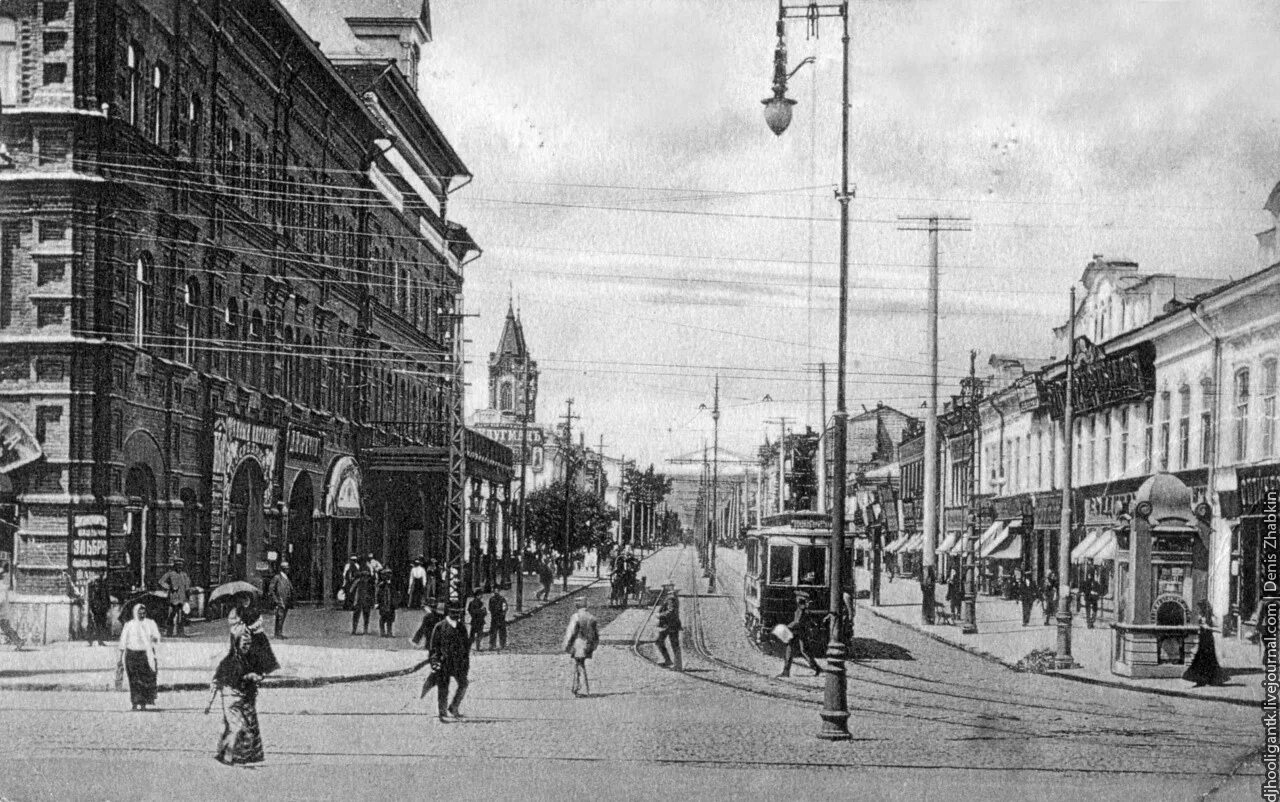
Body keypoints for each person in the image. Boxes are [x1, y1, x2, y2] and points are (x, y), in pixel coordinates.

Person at [206, 595, 278, 766]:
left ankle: (240, 755)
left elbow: (261, 662)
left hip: (246, 691)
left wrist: (257, 675)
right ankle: (228, 757)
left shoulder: (255, 640)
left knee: (248, 725)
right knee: (237, 727)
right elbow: (224, 672)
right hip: (232, 692)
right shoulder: (233, 651)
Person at [423, 605, 470, 721]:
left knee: (463, 683)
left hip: (458, 663)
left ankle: (454, 707)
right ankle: (442, 710)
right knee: (443, 687)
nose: (456, 615)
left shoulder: (461, 627)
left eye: (458, 613)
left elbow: (466, 648)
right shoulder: (439, 627)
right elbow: (433, 647)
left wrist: (466, 664)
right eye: (454, 612)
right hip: (443, 662)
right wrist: (434, 662)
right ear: (449, 613)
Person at [118, 603, 161, 711]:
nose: (142, 615)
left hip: (145, 655)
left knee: (145, 680)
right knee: (134, 680)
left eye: (143, 613)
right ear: (135, 613)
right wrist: (119, 658)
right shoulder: (129, 625)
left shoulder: (150, 623)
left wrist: (153, 639)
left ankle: (143, 703)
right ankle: (134, 702)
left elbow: (156, 638)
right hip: (132, 655)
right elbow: (123, 642)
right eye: (139, 613)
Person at [1184, 601, 1230, 688]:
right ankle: (1201, 680)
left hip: (1208, 641)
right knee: (1200, 659)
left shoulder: (1211, 617)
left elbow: (1219, 629)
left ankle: (1209, 679)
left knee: (1209, 659)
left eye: (1200, 608)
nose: (1199, 610)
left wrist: (1208, 628)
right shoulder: (1201, 616)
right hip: (1202, 640)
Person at [563, 596, 600, 696]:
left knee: (579, 665)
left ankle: (579, 688)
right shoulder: (592, 617)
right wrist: (593, 646)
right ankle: (581, 688)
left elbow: (571, 632)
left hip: (578, 644)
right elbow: (596, 635)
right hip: (588, 645)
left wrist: (566, 645)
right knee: (581, 664)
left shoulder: (576, 616)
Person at [780, 593, 822, 677]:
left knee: (799, 650)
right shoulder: (802, 609)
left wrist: (788, 627)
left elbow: (797, 622)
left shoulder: (801, 609)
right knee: (795, 649)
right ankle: (786, 671)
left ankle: (816, 668)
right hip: (799, 631)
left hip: (799, 631)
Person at [158, 559, 191, 637]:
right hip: (174, 598)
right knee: (172, 615)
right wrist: (169, 587)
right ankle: (169, 632)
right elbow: (161, 581)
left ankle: (181, 633)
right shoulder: (170, 574)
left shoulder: (184, 575)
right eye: (178, 565)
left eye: (181, 566)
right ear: (175, 566)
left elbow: (187, 586)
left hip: (182, 598)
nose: (179, 567)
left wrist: (188, 596)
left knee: (182, 616)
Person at [654, 584, 683, 671]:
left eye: (665, 586)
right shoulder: (671, 596)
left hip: (670, 625)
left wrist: (660, 615)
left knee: (672, 644)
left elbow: (671, 611)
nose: (663, 588)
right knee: (660, 641)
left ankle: (676, 665)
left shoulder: (671, 598)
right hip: (669, 624)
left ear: (669, 587)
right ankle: (669, 661)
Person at [345, 561, 374, 635]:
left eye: (366, 576)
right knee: (356, 615)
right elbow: (351, 591)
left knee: (366, 616)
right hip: (358, 601)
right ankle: (354, 629)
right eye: (364, 576)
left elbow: (372, 593)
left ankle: (365, 630)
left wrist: (372, 601)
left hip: (366, 601)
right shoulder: (357, 582)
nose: (365, 578)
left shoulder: (369, 584)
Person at [267, 563, 294, 639]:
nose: (288, 570)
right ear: (283, 569)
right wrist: (276, 600)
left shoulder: (286, 577)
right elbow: (271, 590)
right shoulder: (277, 577)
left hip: (286, 600)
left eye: (288, 568)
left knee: (282, 617)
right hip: (280, 600)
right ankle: (278, 634)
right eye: (286, 568)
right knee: (280, 617)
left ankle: (279, 633)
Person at [87, 575, 112, 646]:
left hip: (101, 609)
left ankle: (99, 640)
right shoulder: (95, 587)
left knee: (100, 625)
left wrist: (107, 607)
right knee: (95, 625)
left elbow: (107, 598)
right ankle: (91, 640)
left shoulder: (103, 587)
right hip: (96, 609)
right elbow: (92, 599)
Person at [376, 568, 399, 637]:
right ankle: (382, 632)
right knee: (383, 618)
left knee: (390, 618)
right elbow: (378, 594)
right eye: (387, 574)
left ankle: (389, 632)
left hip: (391, 603)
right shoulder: (381, 584)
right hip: (384, 603)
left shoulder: (393, 583)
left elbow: (395, 592)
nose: (389, 575)